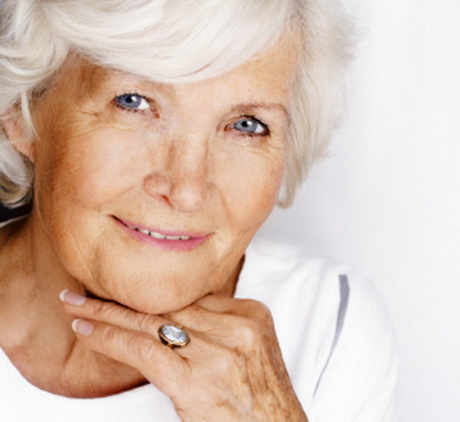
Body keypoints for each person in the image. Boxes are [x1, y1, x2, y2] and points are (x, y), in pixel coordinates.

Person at [0, 0, 398, 420]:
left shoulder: (328, 323)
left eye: (246, 124)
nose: (187, 191)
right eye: (133, 102)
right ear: (21, 112)